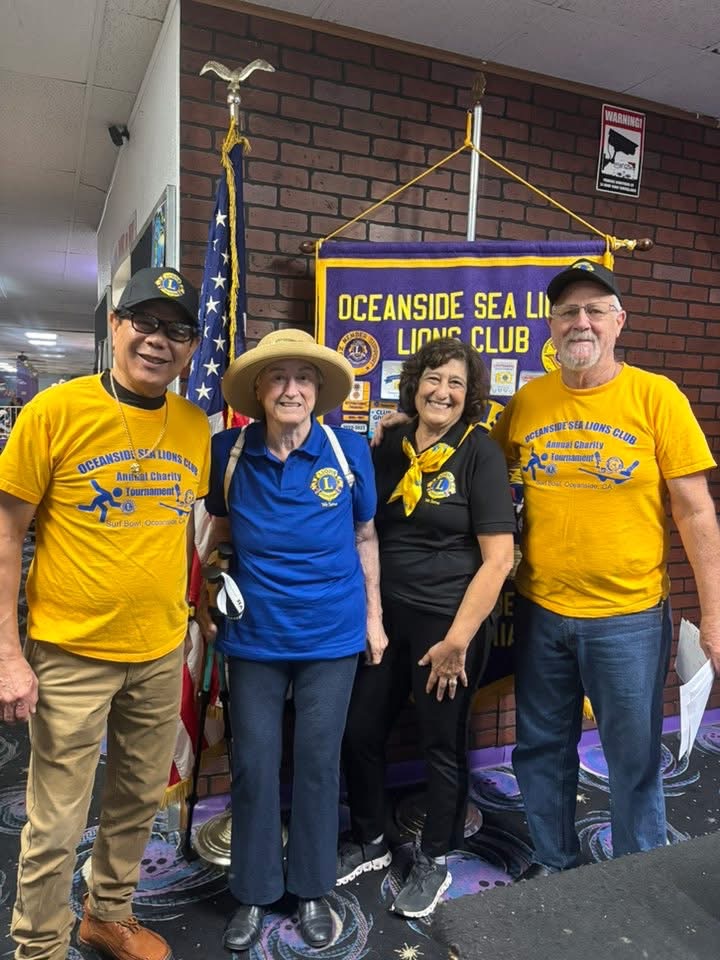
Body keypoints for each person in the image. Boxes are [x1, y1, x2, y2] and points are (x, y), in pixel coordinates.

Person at [0, 267, 210, 960]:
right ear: (116, 326)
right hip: (70, 652)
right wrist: (7, 654)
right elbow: (6, 535)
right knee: (56, 820)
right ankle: (39, 946)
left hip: (158, 649)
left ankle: (106, 913)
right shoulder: (53, 411)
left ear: (191, 348)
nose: (158, 340)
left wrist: (197, 609)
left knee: (137, 799)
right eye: (144, 322)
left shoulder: (193, 427)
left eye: (177, 330)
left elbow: (176, 531)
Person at [490, 259, 720, 878]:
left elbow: (696, 512)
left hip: (629, 618)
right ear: (551, 325)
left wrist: (715, 617)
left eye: (595, 310)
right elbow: (484, 473)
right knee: (541, 750)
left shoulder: (656, 396)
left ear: (619, 321)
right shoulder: (529, 401)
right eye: (568, 311)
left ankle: (637, 879)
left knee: (633, 757)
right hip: (541, 610)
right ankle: (556, 865)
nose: (581, 322)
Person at [200, 328, 386, 953]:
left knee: (317, 763)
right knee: (254, 765)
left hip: (331, 633)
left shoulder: (347, 448)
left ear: (318, 390)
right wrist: (209, 588)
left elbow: (365, 536)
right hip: (254, 634)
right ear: (258, 390)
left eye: (303, 378)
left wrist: (375, 619)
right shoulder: (228, 450)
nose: (291, 389)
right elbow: (220, 529)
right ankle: (253, 891)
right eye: (278, 377)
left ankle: (311, 888)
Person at [338, 337, 516, 918]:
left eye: (456, 383)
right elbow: (366, 526)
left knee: (441, 743)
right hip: (385, 618)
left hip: (449, 624)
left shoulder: (480, 453)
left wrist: (456, 643)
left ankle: (436, 855)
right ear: (414, 384)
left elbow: (498, 561)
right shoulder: (389, 444)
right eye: (433, 379)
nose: (443, 392)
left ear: (470, 395)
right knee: (360, 730)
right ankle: (370, 836)